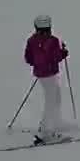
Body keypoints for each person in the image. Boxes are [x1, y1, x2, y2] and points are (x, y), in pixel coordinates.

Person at [23, 15, 70, 143]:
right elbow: (56, 57)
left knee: (56, 97)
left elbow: (28, 59)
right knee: (51, 102)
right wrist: (63, 52)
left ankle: (56, 122)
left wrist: (38, 62)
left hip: (41, 74)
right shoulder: (53, 41)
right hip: (49, 74)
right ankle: (45, 132)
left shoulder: (31, 40)